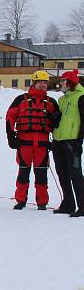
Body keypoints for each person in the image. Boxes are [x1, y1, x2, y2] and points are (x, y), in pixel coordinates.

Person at [5, 70, 61, 210]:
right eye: (40, 82)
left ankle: (42, 202)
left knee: (41, 174)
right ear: (34, 83)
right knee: (23, 173)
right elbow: (10, 117)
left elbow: (58, 122)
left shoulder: (51, 102)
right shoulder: (20, 99)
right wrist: (11, 137)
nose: (43, 85)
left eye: (45, 82)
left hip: (42, 145)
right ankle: (21, 200)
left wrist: (56, 120)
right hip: (24, 143)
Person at [50, 70, 84, 216]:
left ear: (71, 82)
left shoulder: (81, 97)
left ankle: (82, 205)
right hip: (58, 141)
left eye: (64, 81)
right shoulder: (62, 100)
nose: (61, 83)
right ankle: (68, 204)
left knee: (75, 174)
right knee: (62, 173)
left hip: (72, 142)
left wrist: (79, 141)